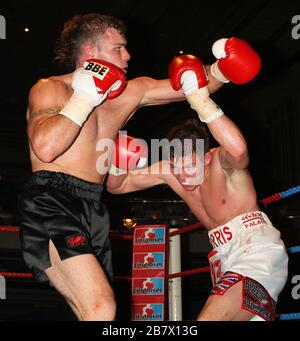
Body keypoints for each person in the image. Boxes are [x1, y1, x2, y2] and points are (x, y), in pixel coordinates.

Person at [17, 13, 222, 321]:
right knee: (102, 308)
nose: (128, 55)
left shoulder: (130, 92)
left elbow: (188, 86)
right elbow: (46, 147)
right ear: (90, 53)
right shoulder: (51, 89)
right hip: (52, 199)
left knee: (94, 312)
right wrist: (84, 98)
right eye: (119, 48)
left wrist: (224, 67)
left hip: (94, 205)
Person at [106, 41, 289, 321]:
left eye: (189, 164)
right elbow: (116, 186)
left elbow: (239, 150)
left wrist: (201, 101)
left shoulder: (220, 163)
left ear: (205, 157)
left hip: (256, 253)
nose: (182, 174)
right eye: (177, 166)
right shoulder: (170, 171)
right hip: (224, 259)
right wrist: (118, 158)